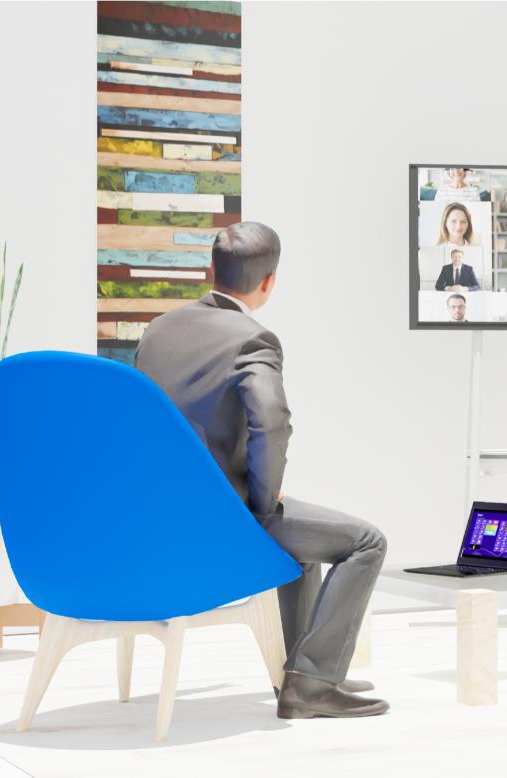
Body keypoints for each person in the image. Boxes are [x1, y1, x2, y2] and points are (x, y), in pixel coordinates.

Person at [134, 222, 389, 719]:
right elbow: (271, 422)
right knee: (366, 542)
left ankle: (303, 673)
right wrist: (265, 500)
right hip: (221, 524)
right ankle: (312, 685)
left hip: (159, 520)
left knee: (306, 544)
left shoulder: (158, 329)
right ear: (269, 282)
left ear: (211, 270)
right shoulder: (254, 338)